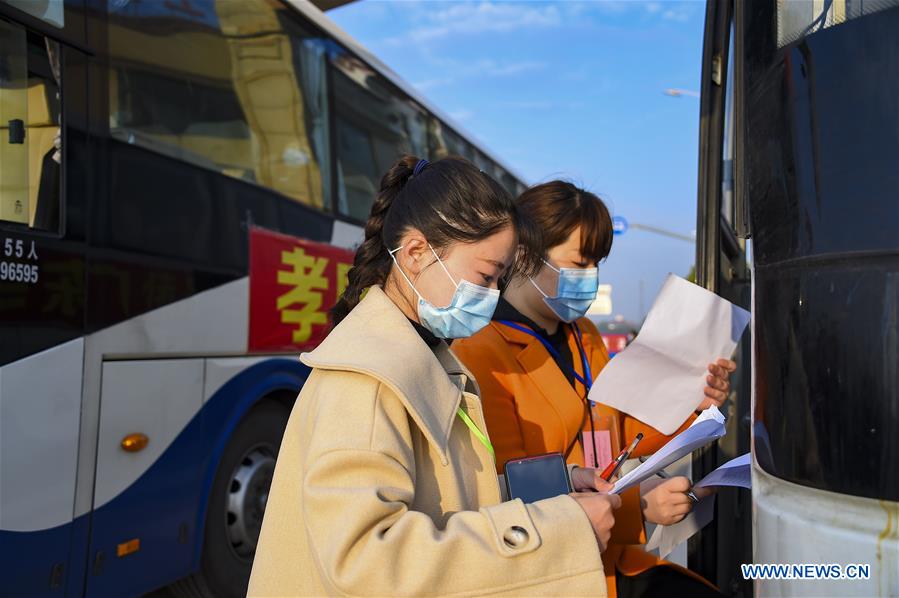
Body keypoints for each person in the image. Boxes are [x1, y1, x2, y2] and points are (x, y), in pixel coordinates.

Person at [248, 158, 622, 597]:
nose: (490, 296)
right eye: (485, 276)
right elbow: (366, 561)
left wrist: (558, 486)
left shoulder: (419, 356)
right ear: (416, 252)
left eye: (499, 281)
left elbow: (444, 496)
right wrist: (560, 531)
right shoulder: (367, 381)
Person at [452, 180, 736, 597]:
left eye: (596, 264)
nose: (589, 278)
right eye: (578, 263)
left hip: (609, 562)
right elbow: (508, 494)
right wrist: (636, 508)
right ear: (526, 254)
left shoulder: (582, 333)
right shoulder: (480, 350)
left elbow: (619, 429)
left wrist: (697, 404)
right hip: (552, 575)